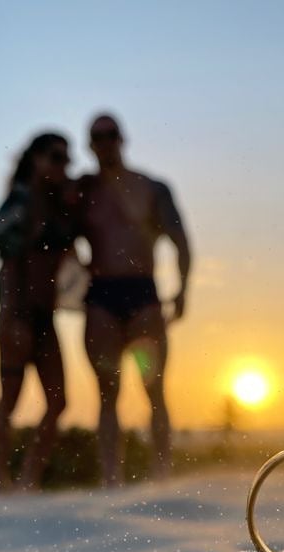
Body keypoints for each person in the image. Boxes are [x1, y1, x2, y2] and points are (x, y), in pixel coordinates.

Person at [78, 114, 191, 487]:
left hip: (142, 294)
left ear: (122, 139)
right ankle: (112, 478)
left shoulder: (151, 188)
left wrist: (182, 290)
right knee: (107, 392)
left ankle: (163, 475)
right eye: (98, 137)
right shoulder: (84, 192)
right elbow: (54, 239)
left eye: (110, 135)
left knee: (153, 389)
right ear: (90, 144)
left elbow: (180, 240)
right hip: (102, 297)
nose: (105, 142)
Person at [0, 132, 77, 491]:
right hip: (17, 312)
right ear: (35, 158)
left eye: (67, 158)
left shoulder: (59, 203)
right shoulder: (20, 201)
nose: (63, 165)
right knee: (9, 399)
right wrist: (11, 315)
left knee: (58, 402)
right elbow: (8, 262)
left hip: (45, 316)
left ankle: (28, 481)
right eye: (56, 157)